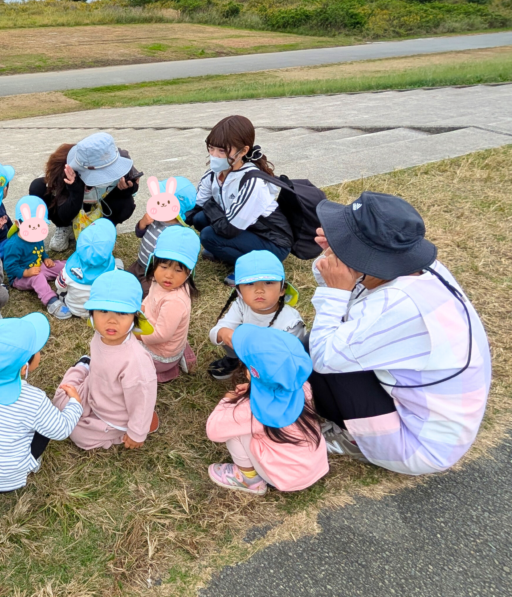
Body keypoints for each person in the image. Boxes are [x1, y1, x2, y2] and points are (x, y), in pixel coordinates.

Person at [307, 192, 491, 476]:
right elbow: (355, 303)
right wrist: (336, 257)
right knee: (328, 344)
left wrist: (334, 292)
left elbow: (324, 355)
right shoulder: (418, 270)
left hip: (419, 447)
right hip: (444, 426)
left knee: (313, 351)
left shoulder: (398, 306)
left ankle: (353, 439)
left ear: (366, 258)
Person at [0, 313, 84, 493]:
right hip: (6, 481)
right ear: (24, 368)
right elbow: (61, 429)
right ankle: (32, 463)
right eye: (36, 350)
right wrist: (75, 403)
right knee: (46, 425)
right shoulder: (34, 400)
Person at [206, 325, 328, 495]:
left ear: (251, 372)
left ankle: (249, 480)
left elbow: (213, 430)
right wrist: (255, 387)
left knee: (235, 432)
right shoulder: (302, 386)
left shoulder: (250, 410)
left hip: (283, 478)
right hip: (315, 466)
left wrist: (228, 399)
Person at [52, 270, 159, 450]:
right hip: (93, 390)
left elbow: (143, 399)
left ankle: (117, 435)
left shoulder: (135, 361)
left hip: (113, 415)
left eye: (122, 313)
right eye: (102, 311)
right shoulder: (99, 335)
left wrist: (137, 433)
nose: (111, 321)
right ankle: (83, 367)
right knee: (58, 403)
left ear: (135, 316)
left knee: (78, 435)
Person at [189, 115, 293, 285]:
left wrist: (209, 206)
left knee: (208, 235)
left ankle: (256, 268)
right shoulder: (213, 174)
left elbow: (229, 229)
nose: (214, 155)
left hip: (273, 242)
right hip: (245, 229)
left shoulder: (252, 181)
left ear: (243, 151)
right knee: (200, 218)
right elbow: (197, 206)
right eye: (211, 148)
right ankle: (228, 251)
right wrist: (171, 218)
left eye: (222, 151)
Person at [28, 133, 142, 252]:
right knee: (38, 187)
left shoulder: (121, 160)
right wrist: (75, 190)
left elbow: (131, 192)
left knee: (127, 203)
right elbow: (64, 214)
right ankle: (65, 228)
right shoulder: (65, 170)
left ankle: (105, 228)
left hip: (101, 201)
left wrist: (127, 189)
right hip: (73, 202)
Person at [207, 250, 306, 380]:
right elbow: (216, 332)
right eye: (249, 284)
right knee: (228, 332)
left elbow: (293, 359)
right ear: (239, 291)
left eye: (268, 282)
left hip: (276, 365)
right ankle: (234, 360)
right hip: (247, 351)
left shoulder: (291, 322)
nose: (259, 290)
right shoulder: (241, 305)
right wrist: (224, 333)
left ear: (282, 289)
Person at [139, 227, 201, 383]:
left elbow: (161, 335)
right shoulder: (158, 280)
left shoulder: (175, 300)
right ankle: (181, 352)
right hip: (159, 334)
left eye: (178, 270)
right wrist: (141, 309)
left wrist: (137, 334)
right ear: (155, 263)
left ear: (189, 273)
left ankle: (166, 371)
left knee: (125, 354)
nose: (168, 275)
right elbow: (149, 299)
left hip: (160, 354)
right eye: (164, 266)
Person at [3, 194, 72, 320]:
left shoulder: (37, 235)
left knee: (58, 265)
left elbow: (40, 250)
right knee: (37, 277)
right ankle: (51, 300)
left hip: (38, 266)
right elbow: (9, 267)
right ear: (18, 224)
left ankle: (77, 269)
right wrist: (26, 272)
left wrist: (45, 258)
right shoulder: (13, 245)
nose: (35, 229)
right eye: (31, 225)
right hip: (20, 277)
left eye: (39, 225)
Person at [127, 175, 197, 296]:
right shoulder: (153, 218)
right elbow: (139, 234)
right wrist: (142, 223)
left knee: (144, 292)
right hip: (138, 264)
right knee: (124, 279)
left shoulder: (177, 232)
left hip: (153, 273)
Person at [55, 218, 120, 318]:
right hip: (98, 311)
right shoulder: (112, 270)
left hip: (73, 308)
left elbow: (59, 286)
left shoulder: (68, 269)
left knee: (61, 291)